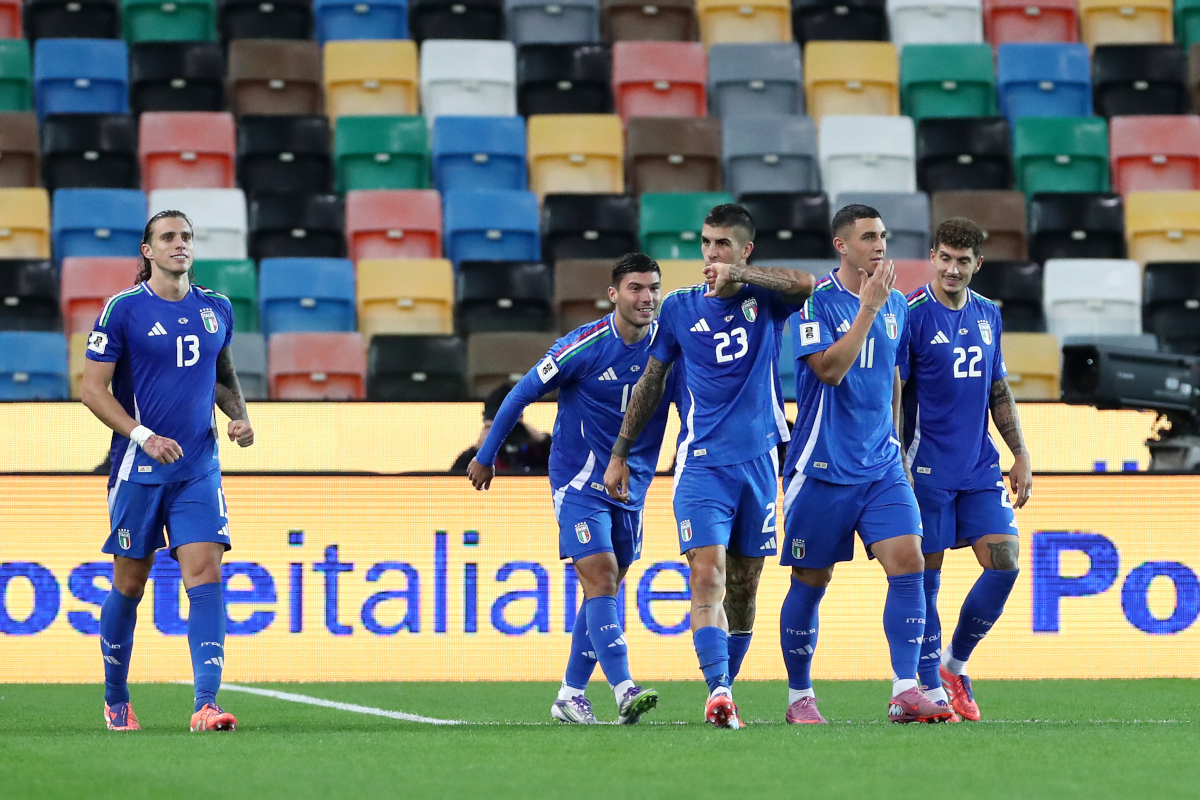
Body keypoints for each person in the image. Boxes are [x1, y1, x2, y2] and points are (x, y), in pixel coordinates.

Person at [604, 205, 814, 730]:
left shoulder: (762, 297)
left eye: (722, 244)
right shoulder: (678, 308)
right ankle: (718, 691)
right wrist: (620, 450)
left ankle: (727, 691)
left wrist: (740, 277)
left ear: (744, 251)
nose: (711, 254)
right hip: (700, 466)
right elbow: (653, 381)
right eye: (705, 243)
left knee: (745, 585)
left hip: (761, 463)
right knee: (707, 575)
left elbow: (805, 285)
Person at [467, 253, 677, 725]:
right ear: (613, 294)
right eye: (636, 289)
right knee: (602, 577)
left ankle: (569, 695)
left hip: (632, 487)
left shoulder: (669, 346)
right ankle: (625, 689)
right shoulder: (583, 345)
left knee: (603, 588)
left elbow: (692, 401)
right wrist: (486, 456)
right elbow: (520, 393)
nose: (646, 298)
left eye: (653, 289)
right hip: (580, 482)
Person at [778, 204, 953, 725]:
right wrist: (868, 310)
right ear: (842, 245)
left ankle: (905, 690)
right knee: (811, 580)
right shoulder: (815, 304)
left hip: (881, 465)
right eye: (868, 237)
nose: (880, 245)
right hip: (822, 467)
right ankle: (799, 696)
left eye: (883, 236)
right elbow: (829, 370)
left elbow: (893, 379)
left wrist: (896, 440)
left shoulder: (897, 304)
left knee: (910, 562)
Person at [80, 210, 254, 732]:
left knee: (205, 571)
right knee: (129, 585)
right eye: (169, 238)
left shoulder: (216, 308)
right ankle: (116, 699)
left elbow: (222, 376)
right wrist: (143, 436)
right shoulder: (122, 310)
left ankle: (205, 703)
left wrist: (240, 417)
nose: (181, 245)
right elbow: (92, 390)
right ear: (148, 251)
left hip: (198, 466)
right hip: (138, 467)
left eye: (187, 237)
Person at [900, 217, 1031, 722]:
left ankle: (954, 666)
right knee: (926, 582)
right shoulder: (911, 314)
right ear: (932, 256)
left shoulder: (989, 314)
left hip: (979, 468)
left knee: (1006, 563)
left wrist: (1019, 452)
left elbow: (998, 389)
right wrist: (895, 462)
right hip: (924, 467)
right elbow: (894, 391)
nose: (952, 269)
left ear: (978, 263)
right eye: (945, 258)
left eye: (963, 261)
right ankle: (931, 685)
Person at [450, 382, 551, 474]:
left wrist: (542, 440)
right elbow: (452, 481)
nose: (501, 435)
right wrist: (478, 451)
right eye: (493, 428)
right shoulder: (475, 456)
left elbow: (562, 465)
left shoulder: (533, 452)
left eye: (507, 429)